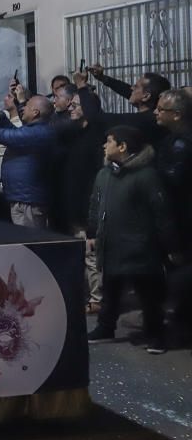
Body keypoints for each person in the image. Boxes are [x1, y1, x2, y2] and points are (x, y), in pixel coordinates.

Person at [87, 126, 174, 354]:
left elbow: (161, 212)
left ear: (122, 147)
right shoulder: (104, 174)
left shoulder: (146, 176)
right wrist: (92, 231)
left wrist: (168, 243)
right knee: (111, 290)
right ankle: (106, 326)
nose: (105, 146)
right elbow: (96, 204)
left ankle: (155, 334)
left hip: (140, 246)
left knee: (148, 295)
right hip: (112, 243)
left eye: (109, 141)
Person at [0, 89, 57, 228]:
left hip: (28, 201)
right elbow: (14, 133)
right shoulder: (35, 130)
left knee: (32, 244)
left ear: (36, 112)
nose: (22, 108)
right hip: (24, 198)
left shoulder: (37, 133)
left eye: (27, 106)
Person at [55, 93, 106, 311]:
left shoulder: (96, 138)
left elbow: (95, 177)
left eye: (75, 105)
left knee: (91, 254)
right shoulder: (75, 134)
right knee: (82, 252)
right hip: (73, 204)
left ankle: (97, 299)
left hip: (88, 205)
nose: (70, 108)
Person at [153, 89, 192, 340]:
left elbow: (173, 181)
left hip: (183, 222)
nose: (156, 112)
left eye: (161, 109)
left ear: (176, 115)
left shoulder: (183, 144)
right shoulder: (169, 140)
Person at [75, 65, 170, 146]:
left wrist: (81, 86)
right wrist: (103, 78)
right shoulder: (154, 114)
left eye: (135, 86)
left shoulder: (144, 120)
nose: (131, 88)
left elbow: (96, 118)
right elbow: (127, 90)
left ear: (146, 96)